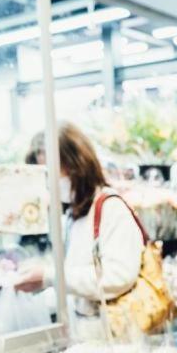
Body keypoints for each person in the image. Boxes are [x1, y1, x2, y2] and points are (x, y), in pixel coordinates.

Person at [20, 122, 144, 335]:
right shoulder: (74, 213)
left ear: (76, 166)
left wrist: (51, 277)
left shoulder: (110, 208)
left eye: (51, 173)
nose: (49, 182)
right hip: (86, 333)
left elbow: (118, 276)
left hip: (114, 337)